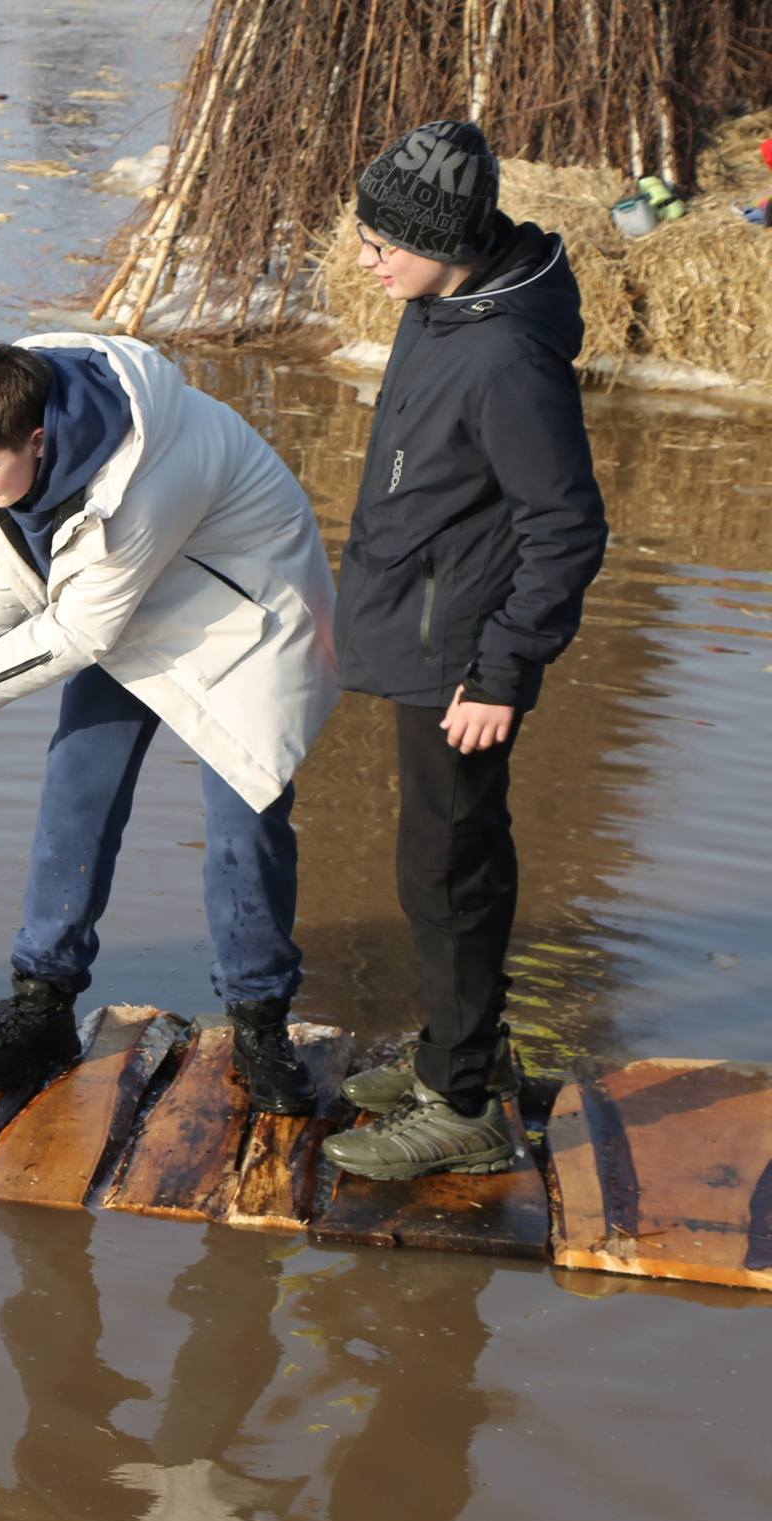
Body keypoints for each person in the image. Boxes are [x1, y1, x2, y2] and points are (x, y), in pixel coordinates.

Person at [0, 334, 339, 1112]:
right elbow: (0, 574)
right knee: (77, 785)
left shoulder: (145, 478)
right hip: (127, 602)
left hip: (244, 619)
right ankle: (43, 1003)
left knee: (242, 824)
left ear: (39, 441)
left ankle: (259, 1022)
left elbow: (79, 634)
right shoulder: (10, 439)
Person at [318, 120, 606, 1181]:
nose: (364, 257)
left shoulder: (501, 354)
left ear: (448, 241)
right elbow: (420, 482)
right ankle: (452, 1055)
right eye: (364, 234)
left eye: (382, 241)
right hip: (421, 632)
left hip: (463, 667)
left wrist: (501, 671)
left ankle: (467, 1110)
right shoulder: (442, 302)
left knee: (450, 871)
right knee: (432, 863)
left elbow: (566, 524)